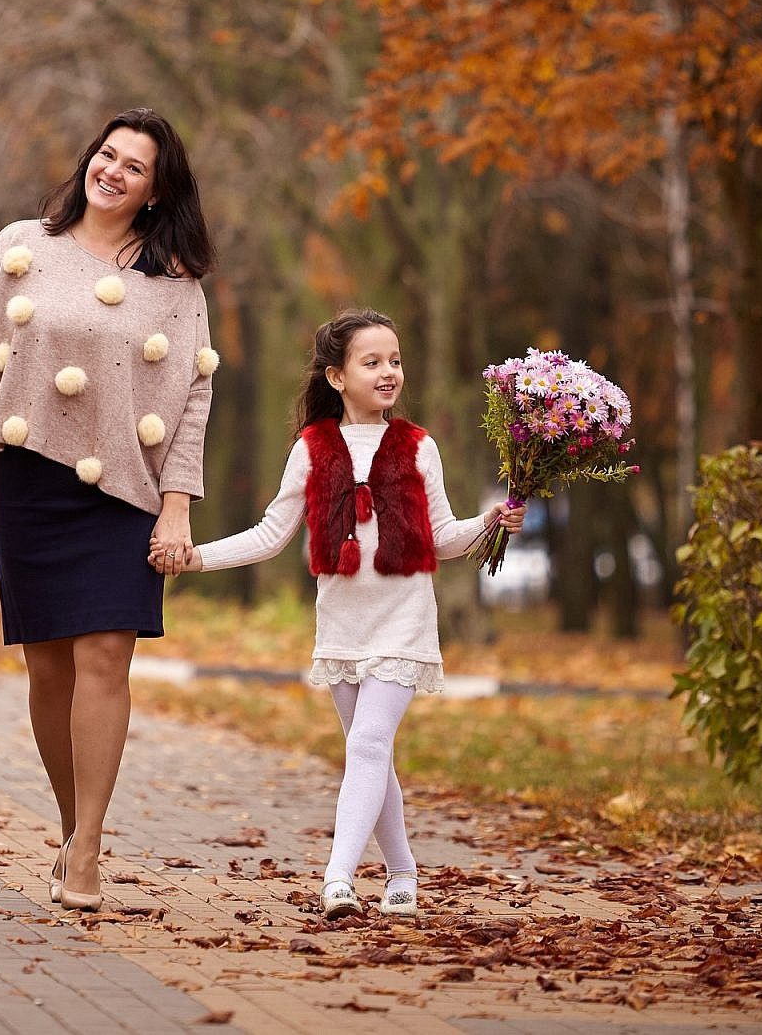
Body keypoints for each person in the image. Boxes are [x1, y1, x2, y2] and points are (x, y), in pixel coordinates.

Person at [0, 107, 217, 913]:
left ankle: (88, 846)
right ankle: (70, 827)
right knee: (49, 669)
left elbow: (192, 402)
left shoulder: (175, 285)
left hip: (127, 493)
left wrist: (177, 512)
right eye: (107, 154)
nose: (114, 170)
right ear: (88, 159)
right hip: (31, 484)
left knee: (105, 656)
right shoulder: (19, 246)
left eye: (135, 165)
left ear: (157, 191)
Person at [167, 310, 524, 920]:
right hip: (342, 626)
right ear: (336, 376)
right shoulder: (312, 449)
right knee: (371, 754)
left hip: (404, 618)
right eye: (373, 362)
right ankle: (404, 873)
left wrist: (491, 523)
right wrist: (195, 558)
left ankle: (337, 879)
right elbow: (271, 534)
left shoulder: (419, 446)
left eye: (395, 360)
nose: (390, 373)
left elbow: (441, 537)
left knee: (367, 743)